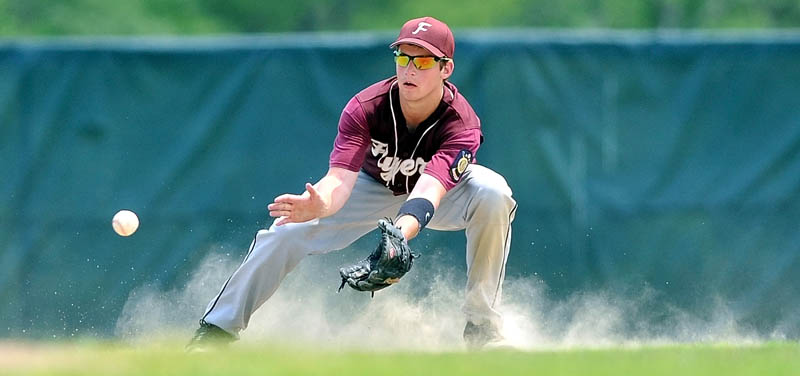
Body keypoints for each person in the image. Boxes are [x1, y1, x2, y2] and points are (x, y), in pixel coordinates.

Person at [186, 16, 517, 351]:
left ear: (446, 69)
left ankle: (482, 329)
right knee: (284, 232)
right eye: (403, 57)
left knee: (493, 193)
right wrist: (321, 205)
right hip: (374, 186)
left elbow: (430, 189)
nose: (410, 69)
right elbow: (340, 179)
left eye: (425, 60)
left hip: (439, 193)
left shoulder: (461, 123)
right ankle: (216, 332)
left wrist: (398, 236)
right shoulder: (366, 107)